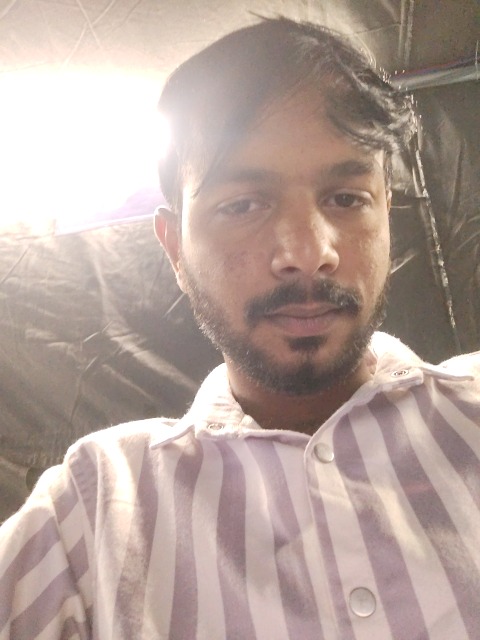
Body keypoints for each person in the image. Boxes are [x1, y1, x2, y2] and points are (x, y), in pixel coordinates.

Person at [0, 16, 479, 640]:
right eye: (244, 205)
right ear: (174, 247)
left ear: (387, 213)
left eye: (345, 198)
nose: (309, 253)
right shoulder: (88, 512)